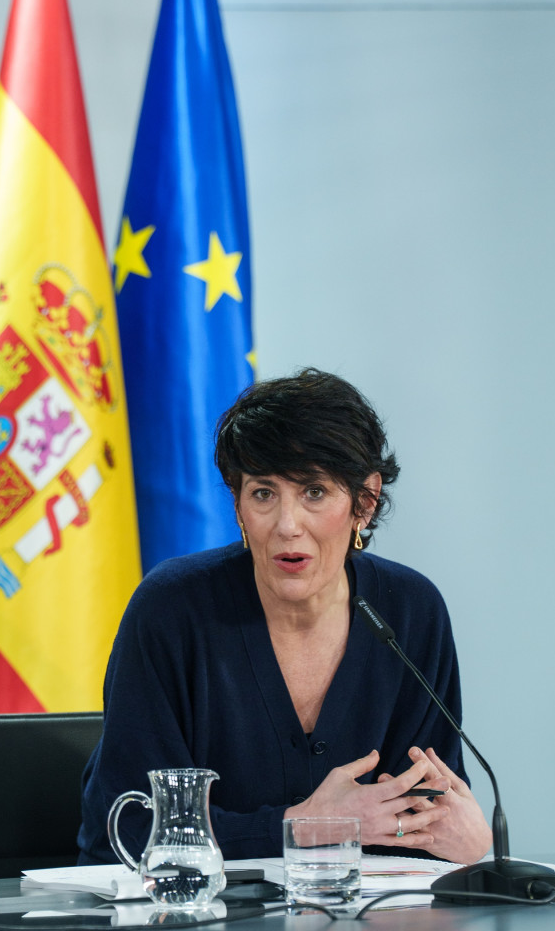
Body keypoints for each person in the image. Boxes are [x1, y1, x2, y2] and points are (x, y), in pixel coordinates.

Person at [78, 368, 491, 865]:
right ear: (238, 504)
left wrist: (466, 842)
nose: (287, 526)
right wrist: (309, 827)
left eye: (314, 492)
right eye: (263, 493)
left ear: (365, 500)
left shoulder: (410, 611)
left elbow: (426, 816)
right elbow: (128, 829)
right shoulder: (172, 609)